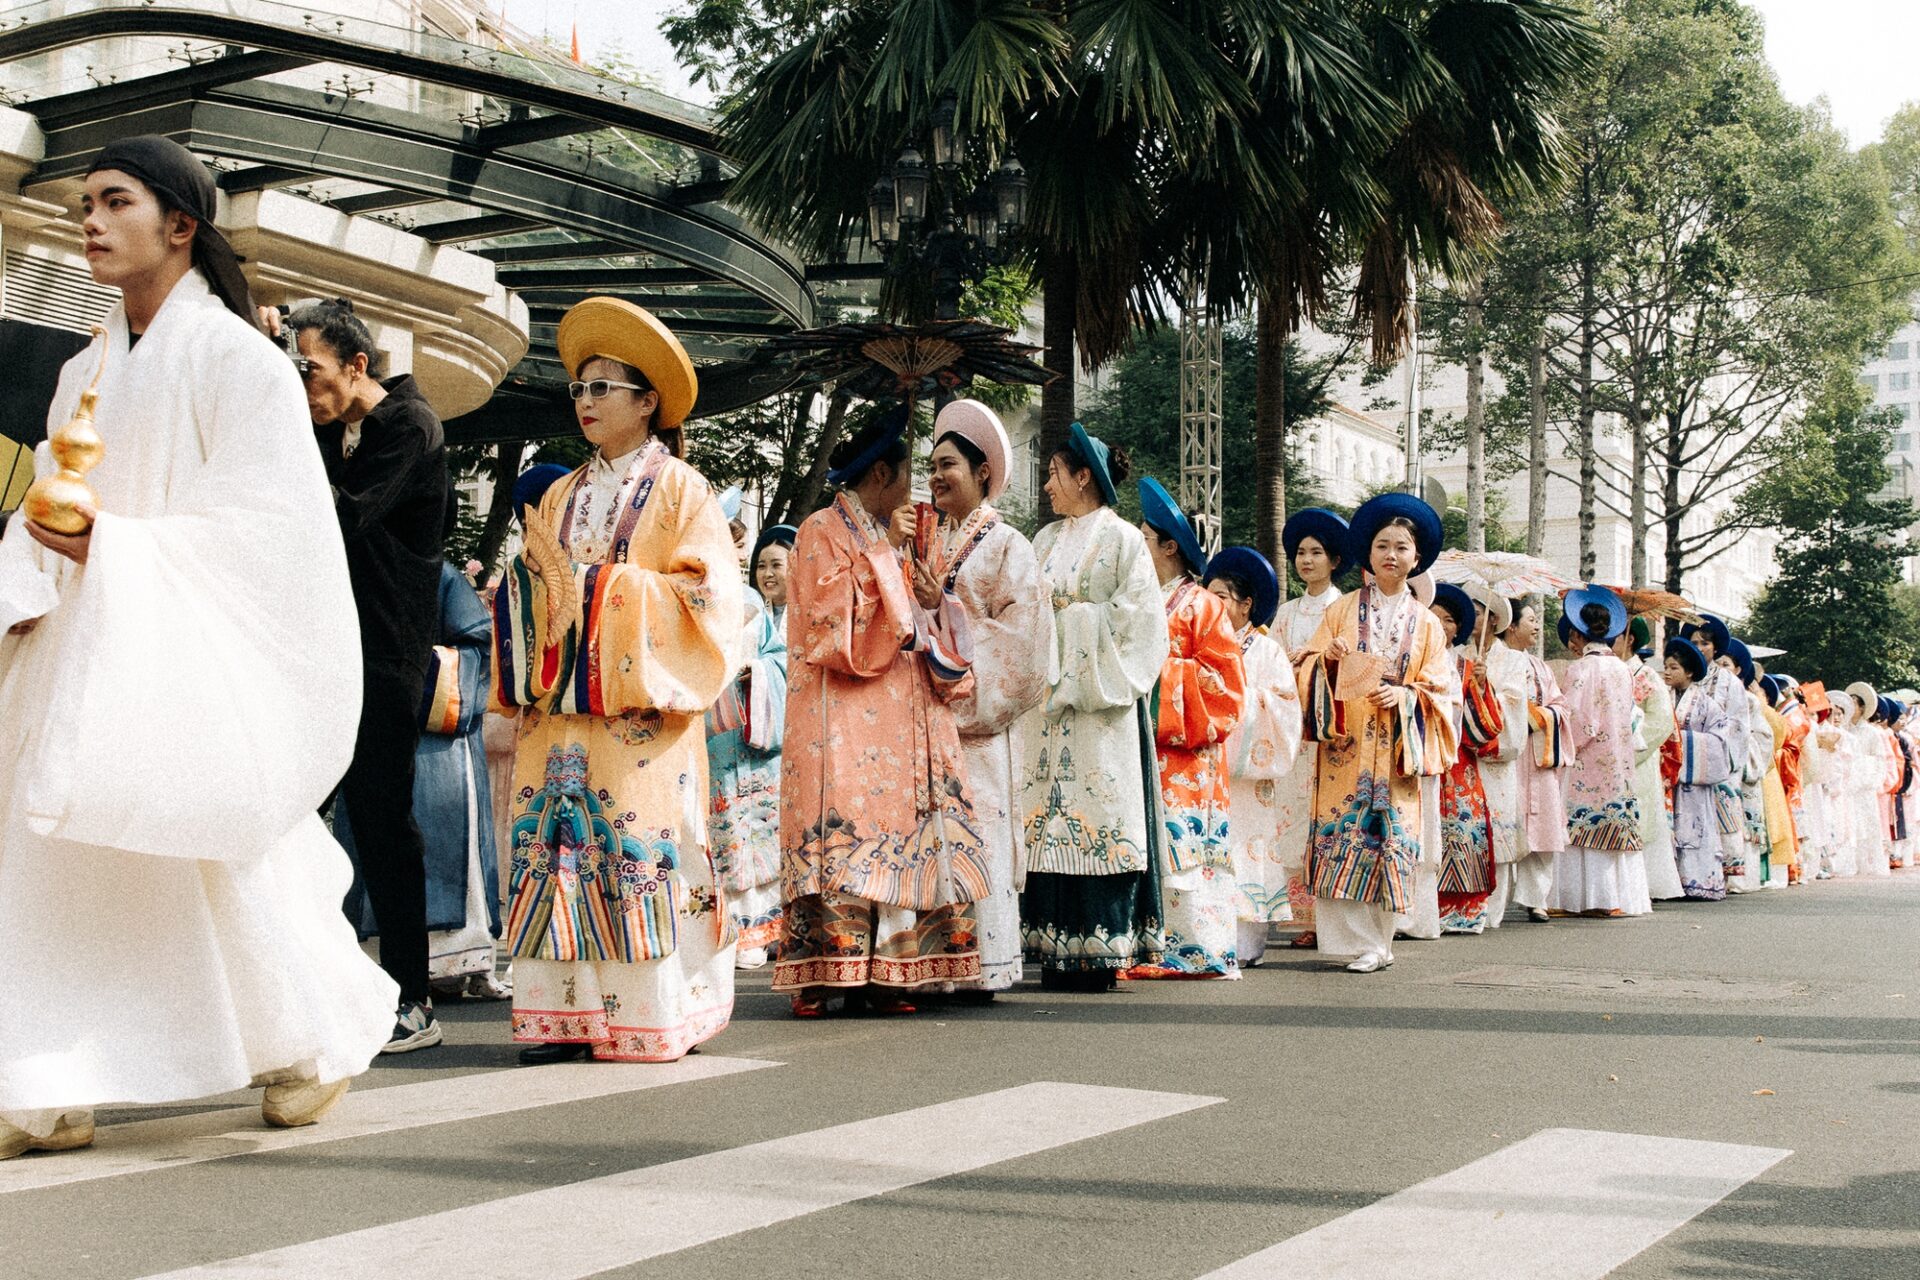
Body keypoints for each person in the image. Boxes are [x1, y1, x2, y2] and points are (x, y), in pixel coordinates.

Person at [0, 136, 394, 1155]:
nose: (89, 219)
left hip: (181, 644)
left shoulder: (241, 362)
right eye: (84, 202)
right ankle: (48, 1076)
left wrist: (114, 548)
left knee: (217, 857)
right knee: (52, 850)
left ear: (179, 224)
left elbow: (271, 534)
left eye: (113, 200)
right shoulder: (86, 363)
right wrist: (35, 563)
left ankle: (313, 1039)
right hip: (85, 639)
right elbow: (50, 490)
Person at [494, 296, 744, 1063]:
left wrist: (608, 592)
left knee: (636, 848)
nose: (587, 402)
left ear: (647, 402)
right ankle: (560, 1014)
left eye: (603, 388)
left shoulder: (684, 492)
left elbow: (709, 601)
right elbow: (534, 587)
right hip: (562, 716)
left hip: (640, 721)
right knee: (552, 846)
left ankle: (650, 1012)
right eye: (579, 388)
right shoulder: (561, 494)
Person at [775, 407, 988, 1015]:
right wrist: (887, 562)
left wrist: (927, 594)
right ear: (881, 474)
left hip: (898, 710)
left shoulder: (889, 534)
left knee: (897, 830)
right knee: (846, 828)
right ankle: (832, 966)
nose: (913, 488)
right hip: (837, 715)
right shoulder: (821, 529)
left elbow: (917, 621)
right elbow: (830, 626)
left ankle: (891, 968)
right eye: (906, 473)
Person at [290, 296, 449, 1053]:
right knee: (300, 815)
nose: (304, 384)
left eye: (310, 369)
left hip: (384, 655)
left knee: (384, 823)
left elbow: (335, 518)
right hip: (330, 648)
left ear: (358, 365)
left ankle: (413, 999)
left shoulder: (409, 427)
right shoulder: (344, 433)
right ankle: (320, 981)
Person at [336, 492, 508, 1000]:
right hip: (377, 725)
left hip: (436, 739)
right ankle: (382, 959)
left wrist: (404, 667)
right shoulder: (359, 568)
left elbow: (476, 647)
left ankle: (457, 957)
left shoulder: (446, 577)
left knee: (431, 834)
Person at [1020, 423, 1170, 991]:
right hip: (1050, 713)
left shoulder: (1125, 542)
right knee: (1049, 813)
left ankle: (1102, 949)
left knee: (1100, 814)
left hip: (1101, 711)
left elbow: (1140, 627)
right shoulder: (1043, 542)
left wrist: (1071, 622)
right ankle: (1055, 946)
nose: (1047, 487)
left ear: (1084, 476)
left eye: (1055, 474)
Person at [1294, 494, 1460, 973]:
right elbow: (1304, 663)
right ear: (1368, 553)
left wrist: (1407, 697)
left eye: (1402, 547)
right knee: (1342, 832)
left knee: (1388, 839)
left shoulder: (1428, 625)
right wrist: (1327, 658)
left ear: (1416, 557)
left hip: (1396, 749)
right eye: (1383, 545)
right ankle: (1347, 939)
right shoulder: (1341, 611)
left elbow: (1442, 689)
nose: (1391, 554)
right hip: (1346, 744)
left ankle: (1380, 941)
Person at [925, 399, 1052, 996]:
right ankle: (933, 960)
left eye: (948, 463)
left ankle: (982, 960)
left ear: (983, 473)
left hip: (976, 718)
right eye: (929, 465)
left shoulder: (1009, 547)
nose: (935, 476)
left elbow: (1023, 639)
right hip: (926, 717)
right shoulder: (924, 542)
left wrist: (943, 613)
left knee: (979, 827)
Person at [1127, 477, 1247, 979]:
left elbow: (1226, 686)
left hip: (1188, 755)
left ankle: (1200, 947)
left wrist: (1163, 672)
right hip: (1140, 744)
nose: (1135, 544)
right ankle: (1143, 945)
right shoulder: (1134, 597)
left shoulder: (1203, 605)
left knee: (1186, 849)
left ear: (1169, 547)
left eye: (1144, 538)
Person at [1205, 546, 1301, 966]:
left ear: (1246, 605)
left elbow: (1282, 704)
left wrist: (1233, 699)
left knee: (1248, 849)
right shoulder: (1202, 648)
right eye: (1208, 595)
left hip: (1248, 778)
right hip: (1208, 768)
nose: (1213, 604)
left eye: (1222, 596)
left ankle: (1246, 943)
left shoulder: (1268, 651)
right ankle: (1208, 931)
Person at [1269, 508, 1349, 947]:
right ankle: (1301, 915)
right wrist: (1294, 661)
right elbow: (1275, 660)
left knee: (1326, 816)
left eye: (1317, 552)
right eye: (1301, 552)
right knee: (1292, 816)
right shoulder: (1286, 611)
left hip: (1330, 728)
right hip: (1293, 727)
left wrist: (1319, 659)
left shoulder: (1345, 608)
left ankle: (1328, 915)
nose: (1307, 560)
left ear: (1334, 560)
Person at [705, 571, 788, 970]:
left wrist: (760, 670)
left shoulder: (750, 600)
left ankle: (771, 929)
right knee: (725, 829)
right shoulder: (685, 593)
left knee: (764, 826)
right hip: (713, 736)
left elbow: (780, 656)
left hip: (754, 726)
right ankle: (733, 933)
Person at [1547, 587, 1642, 918]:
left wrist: (1557, 738)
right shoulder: (1622, 668)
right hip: (1618, 756)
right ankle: (1609, 896)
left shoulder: (1581, 670)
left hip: (1587, 759)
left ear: (1576, 633)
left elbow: (1580, 721)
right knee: (1609, 821)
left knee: (1580, 827)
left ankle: (1579, 899)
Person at [1433, 585, 1512, 934]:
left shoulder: (1466, 666)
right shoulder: (1416, 658)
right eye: (1434, 617)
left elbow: (1490, 726)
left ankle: (1465, 910)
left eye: (1449, 620)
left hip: (1460, 764)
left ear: (1458, 628)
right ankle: (1425, 908)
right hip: (1424, 759)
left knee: (1464, 830)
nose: (1441, 625)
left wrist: (1481, 688)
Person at [1489, 599, 1570, 924]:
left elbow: (1560, 705)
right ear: (1511, 626)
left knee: (1543, 828)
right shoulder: (1494, 660)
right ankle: (1497, 897)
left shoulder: (1541, 666)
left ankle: (1536, 898)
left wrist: (1537, 717)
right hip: (1509, 754)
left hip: (1537, 753)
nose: (1537, 626)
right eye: (1531, 620)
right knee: (1506, 823)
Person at [1662, 637, 1737, 900]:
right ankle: (1667, 881)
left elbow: (1720, 741)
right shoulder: (1660, 697)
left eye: (1674, 668)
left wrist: (1680, 742)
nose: (1668, 672)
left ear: (1690, 672)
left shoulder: (1707, 705)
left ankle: (1697, 881)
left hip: (1693, 781)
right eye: (1666, 667)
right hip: (1666, 779)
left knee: (1694, 827)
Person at [1683, 617, 1754, 892]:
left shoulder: (1728, 682)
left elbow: (1738, 725)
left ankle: (1727, 872)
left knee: (1722, 811)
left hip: (1720, 757)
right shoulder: (1685, 677)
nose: (1699, 647)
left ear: (1715, 648)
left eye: (1705, 643)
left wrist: (1719, 752)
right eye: (1695, 643)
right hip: (1688, 756)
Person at [1621, 619, 1681, 906]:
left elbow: (1661, 720)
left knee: (1643, 819)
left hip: (1638, 757)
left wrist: (1631, 746)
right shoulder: (1614, 670)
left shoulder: (1645, 676)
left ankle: (1643, 885)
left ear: (1629, 638)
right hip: (1613, 757)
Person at [1843, 682, 1892, 877]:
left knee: (1869, 824)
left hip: (1865, 785)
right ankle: (1851, 863)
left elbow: (1880, 760)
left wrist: (1872, 780)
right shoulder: (1844, 729)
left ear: (1862, 708)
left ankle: (1872, 863)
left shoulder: (1872, 732)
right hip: (1847, 784)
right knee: (1850, 824)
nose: (1852, 707)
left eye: (1855, 703)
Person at [751, 523, 796, 633]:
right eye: (761, 566)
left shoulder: (813, 617)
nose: (767, 574)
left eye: (776, 565)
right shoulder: (752, 615)